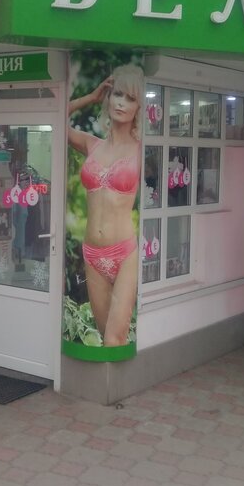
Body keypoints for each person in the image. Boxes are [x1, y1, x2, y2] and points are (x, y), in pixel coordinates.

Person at [68, 65, 143, 347]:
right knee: (104, 336)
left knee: (114, 338)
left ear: (139, 107)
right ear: (108, 98)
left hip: (125, 254)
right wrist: (90, 97)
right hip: (92, 254)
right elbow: (54, 119)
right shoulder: (93, 145)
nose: (121, 103)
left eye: (131, 98)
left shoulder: (142, 149)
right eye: (117, 94)